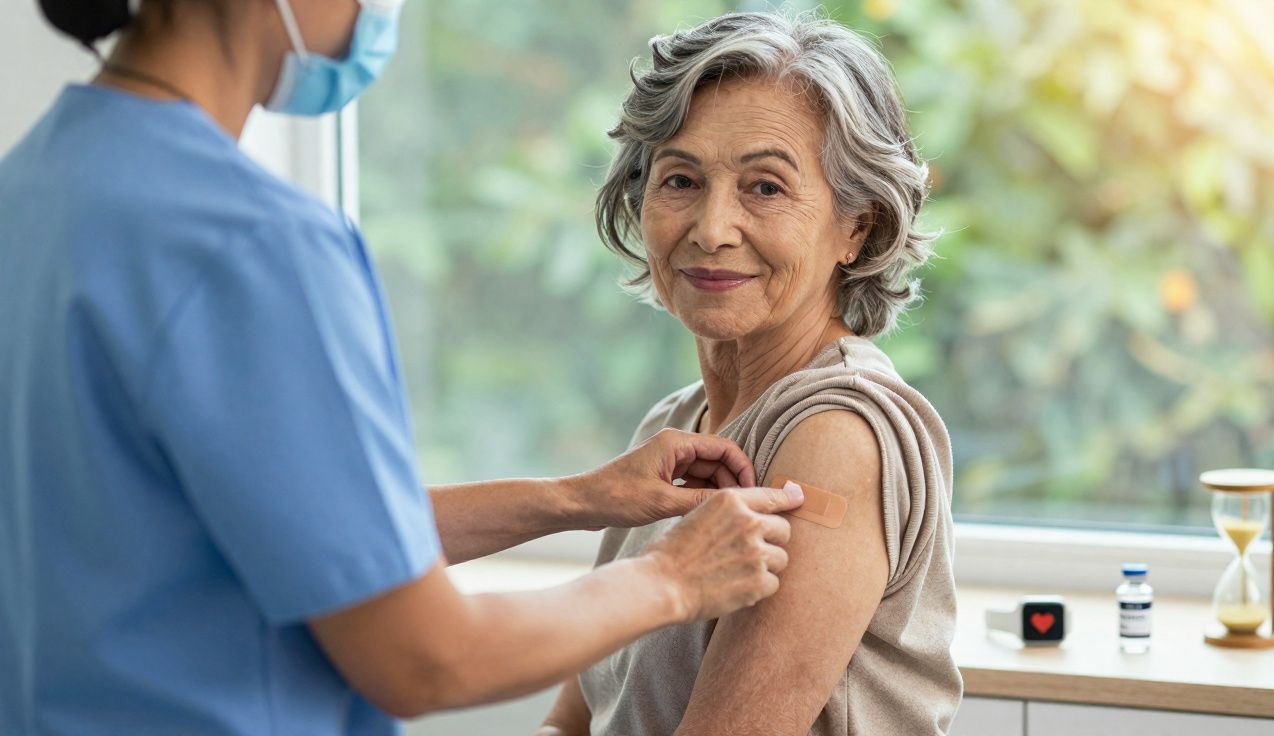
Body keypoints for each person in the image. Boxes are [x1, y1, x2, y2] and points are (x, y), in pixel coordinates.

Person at [0, 1, 808, 734]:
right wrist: (672, 576)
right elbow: (424, 659)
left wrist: (577, 501)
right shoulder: (250, 245)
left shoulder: (33, 190)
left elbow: (291, 526)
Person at [539, 11, 963, 736]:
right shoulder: (672, 427)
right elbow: (574, 720)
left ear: (855, 226)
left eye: (765, 187)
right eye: (681, 179)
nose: (711, 227)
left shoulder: (838, 434)